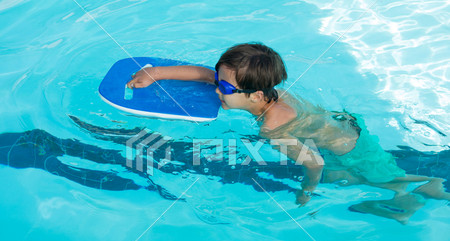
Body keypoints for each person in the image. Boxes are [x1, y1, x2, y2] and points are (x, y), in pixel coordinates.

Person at [127, 42, 449, 221]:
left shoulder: (272, 127)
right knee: (350, 178)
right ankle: (410, 197)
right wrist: (156, 73)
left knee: (373, 178)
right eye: (219, 80)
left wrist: (306, 192)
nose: (216, 89)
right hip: (343, 130)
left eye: (223, 86)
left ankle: (422, 189)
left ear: (254, 96)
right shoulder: (262, 92)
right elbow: (205, 75)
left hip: (351, 151)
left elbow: (314, 163)